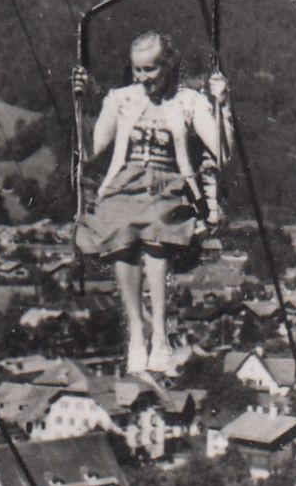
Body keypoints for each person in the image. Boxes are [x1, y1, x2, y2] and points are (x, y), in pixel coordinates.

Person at [72, 31, 232, 375]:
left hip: (170, 182)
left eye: (150, 70)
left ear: (168, 66)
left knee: (157, 232)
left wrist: (221, 104)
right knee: (121, 232)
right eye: (138, 70)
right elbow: (90, 151)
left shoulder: (188, 101)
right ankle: (137, 334)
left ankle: (159, 333)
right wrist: (82, 106)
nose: (143, 78)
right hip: (125, 182)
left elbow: (221, 151)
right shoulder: (121, 99)